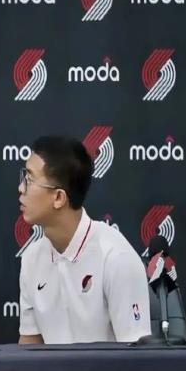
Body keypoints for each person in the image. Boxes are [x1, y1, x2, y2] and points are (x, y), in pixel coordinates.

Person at [18, 136, 150, 344]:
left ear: (59, 198)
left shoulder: (115, 257)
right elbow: (29, 347)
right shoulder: (31, 259)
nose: (21, 188)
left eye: (29, 180)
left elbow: (136, 356)